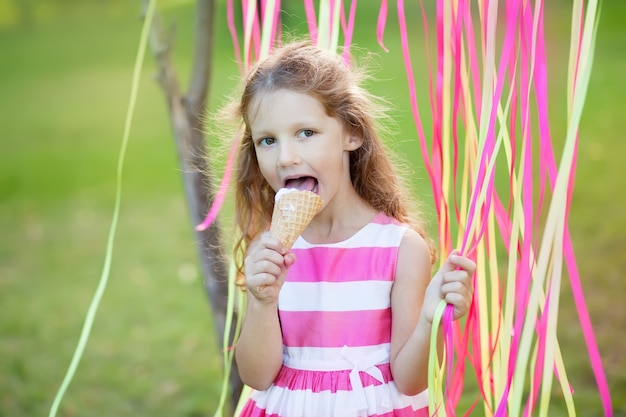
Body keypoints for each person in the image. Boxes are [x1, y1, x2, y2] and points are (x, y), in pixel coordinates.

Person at [228, 40, 476, 416]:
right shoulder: (271, 249)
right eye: (268, 140)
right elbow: (256, 376)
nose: (286, 157)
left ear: (351, 134)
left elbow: (411, 381)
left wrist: (429, 319)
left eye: (306, 132)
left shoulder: (400, 249)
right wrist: (262, 303)